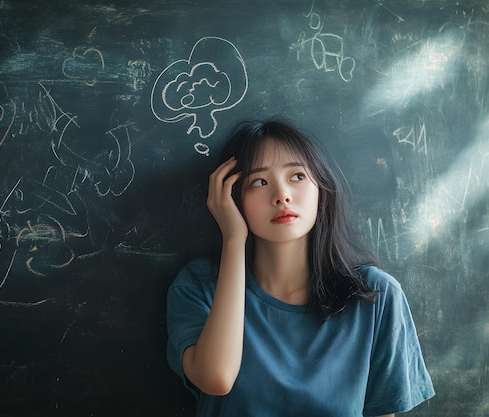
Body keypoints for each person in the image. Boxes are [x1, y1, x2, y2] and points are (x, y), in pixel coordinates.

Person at [166, 120, 434, 416]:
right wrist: (233, 239)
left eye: (297, 176)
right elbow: (216, 378)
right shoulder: (199, 286)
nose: (282, 195)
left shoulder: (375, 295)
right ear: (232, 199)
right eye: (259, 182)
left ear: (321, 192)